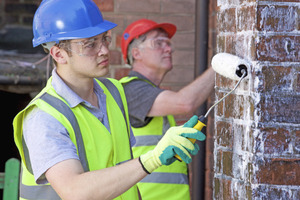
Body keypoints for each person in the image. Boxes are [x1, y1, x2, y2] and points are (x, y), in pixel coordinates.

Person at [12, 1, 206, 200]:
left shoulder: (114, 93)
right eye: (90, 44)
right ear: (59, 54)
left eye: (104, 39)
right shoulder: (43, 116)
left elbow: (126, 177)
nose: (104, 50)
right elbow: (74, 191)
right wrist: (152, 158)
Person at [119, 19, 215, 200]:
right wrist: (218, 67)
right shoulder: (131, 90)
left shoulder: (148, 94)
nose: (169, 49)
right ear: (136, 53)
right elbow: (185, 103)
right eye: (158, 43)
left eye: (168, 43)